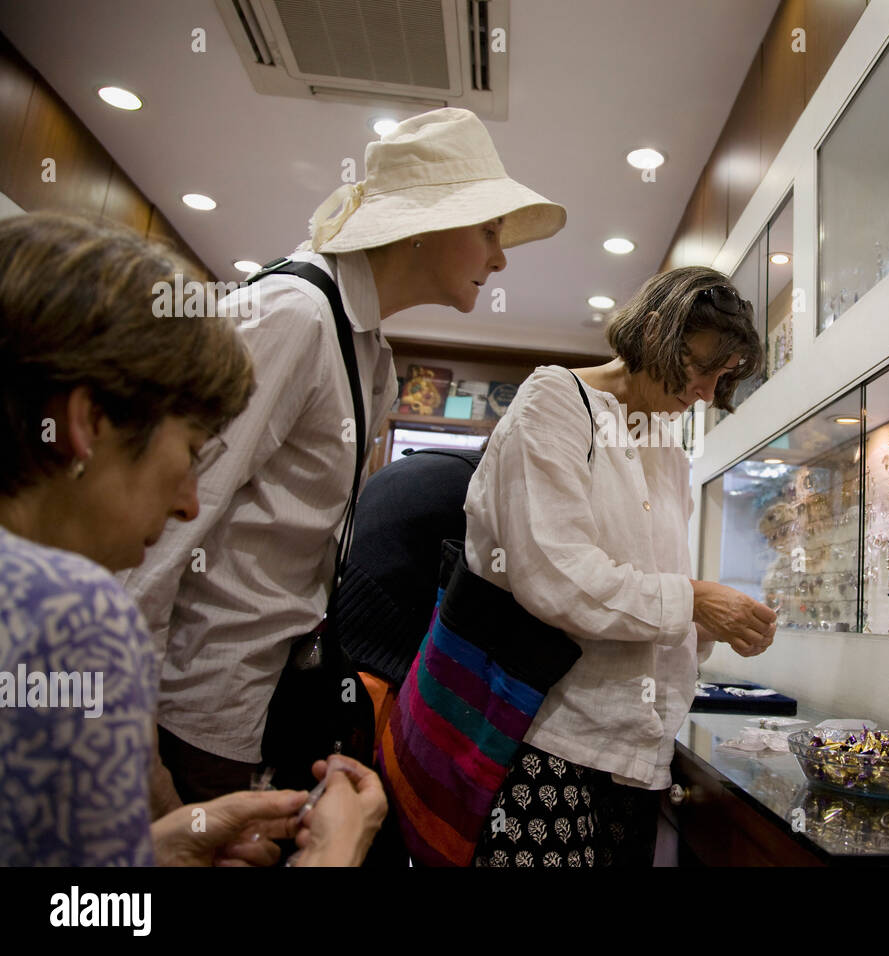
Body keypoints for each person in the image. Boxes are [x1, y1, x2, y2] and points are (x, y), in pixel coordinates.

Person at [121, 108, 565, 804]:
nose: (500, 257)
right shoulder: (292, 316)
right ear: (427, 225)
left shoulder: (369, 352)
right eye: (488, 230)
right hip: (192, 715)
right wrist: (131, 744)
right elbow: (157, 533)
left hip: (261, 708)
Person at [0, 212, 383, 866]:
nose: (187, 504)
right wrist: (333, 856)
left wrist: (164, 846)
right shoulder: (71, 617)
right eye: (189, 452)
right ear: (89, 422)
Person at [458, 266, 778, 867]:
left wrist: (718, 623)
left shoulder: (668, 451)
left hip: (638, 755)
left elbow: (647, 591)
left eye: (722, 378)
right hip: (551, 741)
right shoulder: (554, 401)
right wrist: (695, 601)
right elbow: (557, 576)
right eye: (703, 367)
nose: (708, 393)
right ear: (656, 330)